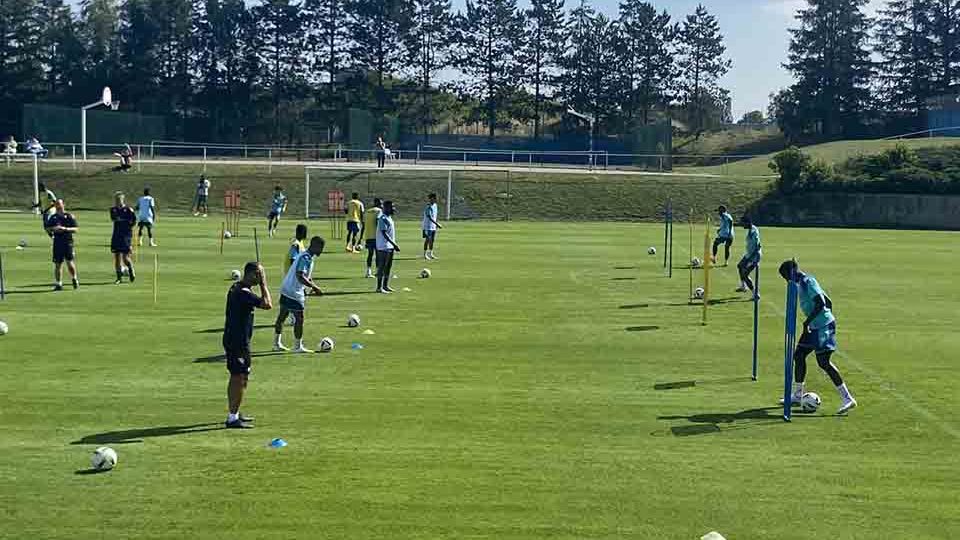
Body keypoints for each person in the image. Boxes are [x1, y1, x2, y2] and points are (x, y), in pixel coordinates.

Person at [778, 260, 857, 415]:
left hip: (822, 326)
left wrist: (810, 321)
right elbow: (828, 301)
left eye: (787, 276)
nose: (787, 280)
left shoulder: (808, 281)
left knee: (823, 362)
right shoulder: (801, 283)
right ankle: (798, 394)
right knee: (799, 355)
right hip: (814, 326)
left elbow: (821, 303)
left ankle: (848, 398)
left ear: (793, 272)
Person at [222, 262, 273, 429]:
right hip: (238, 342)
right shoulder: (244, 293)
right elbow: (268, 304)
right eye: (259, 275)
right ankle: (232, 418)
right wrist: (264, 284)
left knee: (241, 377)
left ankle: (235, 412)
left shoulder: (237, 287)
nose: (260, 279)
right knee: (238, 378)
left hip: (237, 340)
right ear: (252, 274)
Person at [273, 236, 325, 353]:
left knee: (282, 316)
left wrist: (311, 287)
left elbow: (306, 277)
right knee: (299, 319)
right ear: (315, 246)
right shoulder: (306, 257)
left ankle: (276, 344)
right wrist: (315, 287)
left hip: (286, 288)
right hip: (293, 292)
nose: (321, 251)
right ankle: (297, 346)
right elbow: (300, 275)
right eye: (321, 248)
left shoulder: (305, 255)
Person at [45, 199, 79, 291]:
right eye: (56, 205)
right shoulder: (53, 217)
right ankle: (58, 284)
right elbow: (48, 229)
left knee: (69, 262)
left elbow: (75, 229)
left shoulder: (69, 216)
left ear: (63, 205)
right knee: (58, 264)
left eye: (60, 204)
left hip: (67, 242)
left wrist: (65, 229)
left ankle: (74, 278)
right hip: (57, 242)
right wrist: (54, 229)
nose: (58, 206)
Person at [109, 191, 137, 284]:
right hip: (116, 235)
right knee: (117, 257)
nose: (117, 201)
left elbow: (133, 222)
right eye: (116, 199)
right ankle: (119, 278)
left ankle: (130, 269)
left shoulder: (129, 210)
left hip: (126, 236)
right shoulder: (113, 210)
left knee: (125, 258)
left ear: (123, 199)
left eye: (119, 199)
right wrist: (124, 220)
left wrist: (125, 222)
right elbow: (114, 218)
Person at [376, 200, 400, 293]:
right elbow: (384, 233)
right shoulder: (383, 218)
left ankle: (385, 286)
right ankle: (379, 287)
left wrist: (392, 245)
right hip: (383, 246)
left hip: (389, 246)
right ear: (386, 208)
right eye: (392, 207)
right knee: (382, 267)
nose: (394, 209)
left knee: (388, 267)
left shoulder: (389, 218)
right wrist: (394, 244)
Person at [736, 215, 761, 295]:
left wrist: (751, 259)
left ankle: (755, 293)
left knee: (745, 274)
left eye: (743, 223)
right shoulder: (750, 230)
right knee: (740, 266)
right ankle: (743, 286)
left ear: (747, 223)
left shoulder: (754, 231)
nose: (742, 225)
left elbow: (758, 246)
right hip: (749, 255)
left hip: (754, 256)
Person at [361, 198, 382, 278]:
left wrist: (361, 237)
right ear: (378, 204)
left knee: (370, 254)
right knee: (378, 254)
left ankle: (368, 271)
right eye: (381, 204)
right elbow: (377, 221)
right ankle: (377, 271)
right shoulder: (379, 211)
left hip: (368, 236)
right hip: (376, 236)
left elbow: (363, 224)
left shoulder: (368, 211)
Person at [422, 193, 442, 260]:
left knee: (432, 240)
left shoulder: (435, 205)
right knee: (427, 240)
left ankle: (430, 254)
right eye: (435, 198)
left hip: (433, 226)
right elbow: (429, 217)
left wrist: (435, 225)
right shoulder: (428, 206)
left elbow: (434, 216)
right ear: (431, 198)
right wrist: (437, 224)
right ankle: (425, 254)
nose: (436, 199)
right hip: (427, 226)